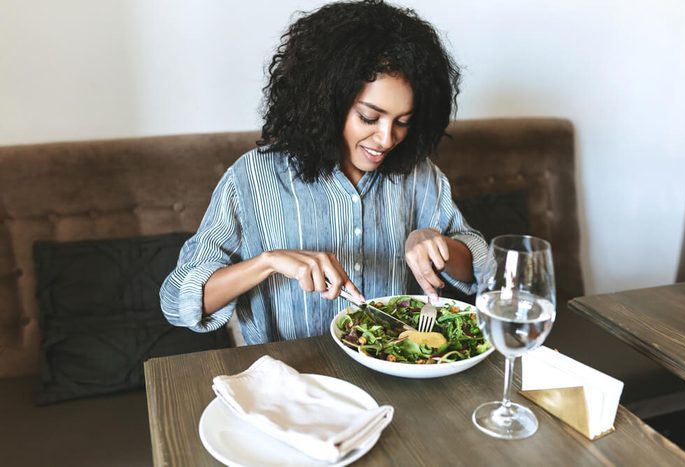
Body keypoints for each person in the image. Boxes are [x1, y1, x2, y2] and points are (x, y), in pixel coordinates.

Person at [160, 0, 488, 345]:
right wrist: (268, 262)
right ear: (328, 103)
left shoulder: (419, 175)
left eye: (403, 122)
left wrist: (439, 245)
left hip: (392, 374)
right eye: (369, 117)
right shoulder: (253, 178)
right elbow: (176, 301)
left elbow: (484, 274)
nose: (387, 138)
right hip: (291, 377)